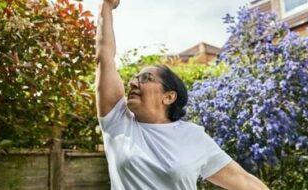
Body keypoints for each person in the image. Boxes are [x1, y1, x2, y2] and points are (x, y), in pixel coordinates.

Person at [95, 0, 269, 189]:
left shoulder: (194, 137)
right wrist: (106, 6)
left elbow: (242, 180)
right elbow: (104, 57)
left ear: (168, 97)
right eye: (135, 78)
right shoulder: (117, 121)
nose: (133, 82)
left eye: (146, 78)